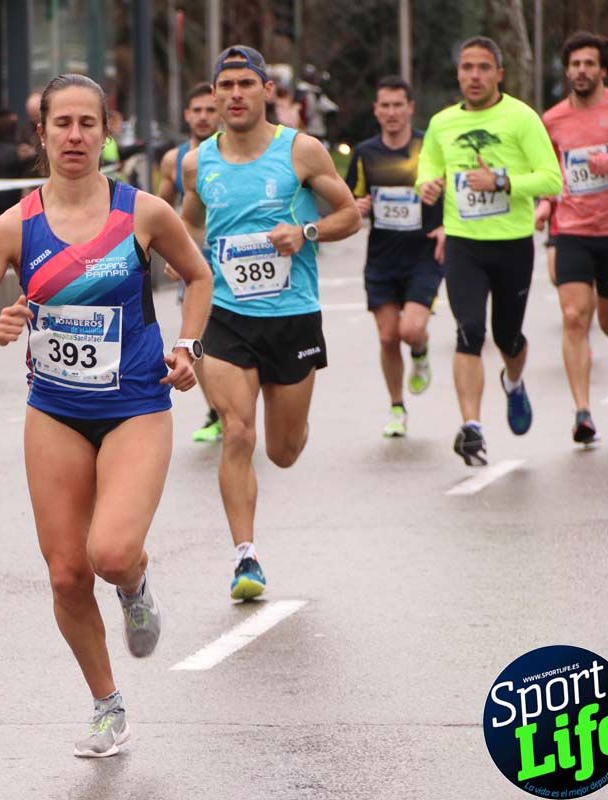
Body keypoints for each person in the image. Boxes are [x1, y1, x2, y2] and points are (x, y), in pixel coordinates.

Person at [0, 74, 213, 758]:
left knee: (112, 553)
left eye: (87, 123)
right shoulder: (16, 225)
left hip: (136, 406)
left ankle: (136, 584)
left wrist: (188, 347)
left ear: (106, 130)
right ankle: (106, 703)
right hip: (55, 411)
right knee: (66, 573)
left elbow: (199, 277)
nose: (74, 136)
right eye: (61, 123)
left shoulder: (143, 213)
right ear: (41, 134)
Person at [179, 46, 360, 600]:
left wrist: (303, 234)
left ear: (266, 93)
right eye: (224, 85)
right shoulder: (197, 162)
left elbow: (350, 214)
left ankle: (295, 425)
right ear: (213, 95)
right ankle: (245, 558)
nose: (234, 94)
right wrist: (184, 255)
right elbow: (187, 219)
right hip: (227, 316)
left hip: (292, 316)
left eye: (245, 84)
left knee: (283, 450)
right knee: (236, 430)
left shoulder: (301, 152)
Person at [416, 36, 562, 466]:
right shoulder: (442, 123)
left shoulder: (521, 117)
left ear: (499, 73)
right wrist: (426, 184)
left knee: (507, 337)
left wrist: (503, 182)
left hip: (512, 244)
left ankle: (513, 383)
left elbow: (551, 179)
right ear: (458, 73)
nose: (474, 75)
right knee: (469, 331)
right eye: (466, 67)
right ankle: (472, 427)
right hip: (464, 245)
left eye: (483, 67)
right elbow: (428, 165)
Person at [538, 31, 608, 444]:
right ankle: (582, 412)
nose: (581, 71)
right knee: (573, 316)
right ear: (566, 70)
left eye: (589, 64)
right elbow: (550, 174)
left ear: (603, 69)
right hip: (572, 231)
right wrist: (546, 203)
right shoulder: (552, 120)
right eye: (575, 64)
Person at [345, 76, 446, 437]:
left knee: (411, 329)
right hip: (382, 258)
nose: (391, 112)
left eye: (397, 105)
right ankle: (397, 407)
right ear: (376, 109)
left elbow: (452, 188)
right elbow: (351, 203)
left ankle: (420, 352)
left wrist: (447, 226)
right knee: (388, 337)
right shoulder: (365, 153)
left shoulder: (429, 147)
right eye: (384, 105)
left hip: (424, 253)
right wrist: (359, 207)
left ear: (410, 108)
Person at [158, 83, 223, 442]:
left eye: (209, 110)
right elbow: (157, 208)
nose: (202, 117)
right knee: (198, 341)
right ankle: (218, 413)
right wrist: (171, 251)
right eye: (196, 110)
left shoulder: (235, 155)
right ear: (186, 115)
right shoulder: (175, 160)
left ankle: (234, 405)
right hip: (194, 265)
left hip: (235, 265)